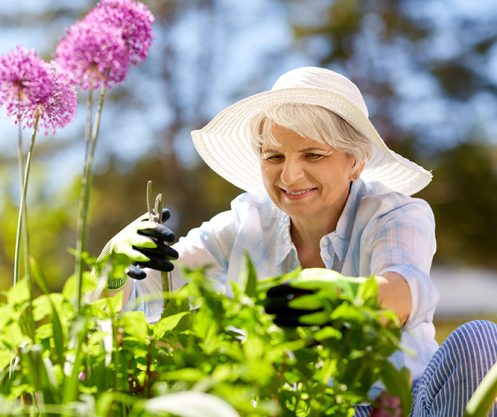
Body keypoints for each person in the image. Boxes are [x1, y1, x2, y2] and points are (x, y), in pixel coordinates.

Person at [103, 66, 497, 416]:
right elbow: (155, 288)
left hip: (399, 406)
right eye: (274, 157)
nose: (290, 176)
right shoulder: (246, 221)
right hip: (292, 405)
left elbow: (406, 289)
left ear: (355, 162)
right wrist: (118, 261)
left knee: (481, 339)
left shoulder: (392, 214)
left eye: (312, 154)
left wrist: (347, 298)